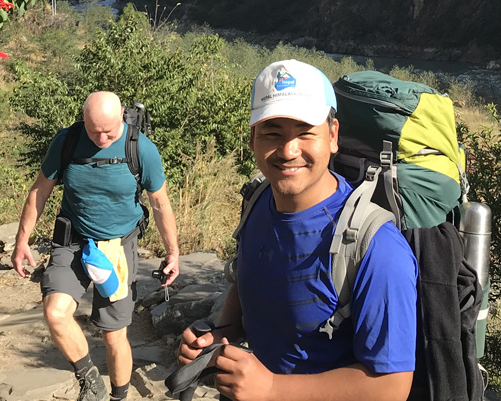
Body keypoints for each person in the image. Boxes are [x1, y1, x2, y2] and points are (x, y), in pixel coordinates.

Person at [177, 59, 418, 401]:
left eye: (305, 132)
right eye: (273, 133)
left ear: (332, 136)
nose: (289, 151)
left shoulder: (376, 246)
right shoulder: (258, 201)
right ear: (253, 139)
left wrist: (272, 388)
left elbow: (391, 386)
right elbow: (252, 278)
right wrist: (222, 334)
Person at [11, 92, 181, 401]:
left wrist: (173, 253)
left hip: (117, 248)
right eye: (94, 131)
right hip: (72, 241)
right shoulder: (67, 141)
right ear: (83, 120)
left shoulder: (141, 148)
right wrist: (21, 241)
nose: (102, 138)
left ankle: (118, 396)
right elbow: (40, 190)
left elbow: (160, 204)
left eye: (109, 132)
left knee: (114, 335)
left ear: (122, 117)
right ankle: (90, 380)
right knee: (55, 312)